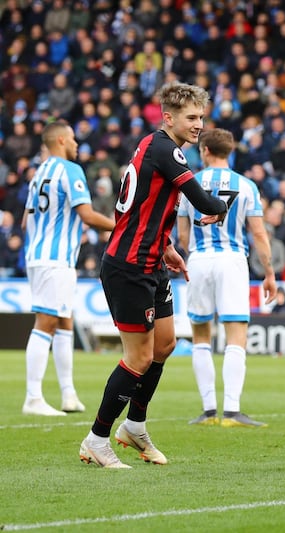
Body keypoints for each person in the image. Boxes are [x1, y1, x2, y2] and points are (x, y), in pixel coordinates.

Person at [79, 82, 229, 469]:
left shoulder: (154, 147)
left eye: (201, 117)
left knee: (163, 345)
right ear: (169, 118)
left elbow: (143, 204)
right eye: (191, 118)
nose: (199, 125)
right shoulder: (166, 149)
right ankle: (97, 438)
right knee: (139, 356)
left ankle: (135, 426)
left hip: (152, 263)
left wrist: (166, 247)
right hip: (128, 267)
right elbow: (204, 201)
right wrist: (221, 208)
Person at [177, 128, 278, 428]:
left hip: (199, 259)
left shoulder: (189, 183)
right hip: (232, 260)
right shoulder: (246, 185)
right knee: (236, 334)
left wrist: (193, 252)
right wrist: (269, 272)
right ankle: (232, 412)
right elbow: (258, 233)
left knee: (200, 336)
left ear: (205, 150)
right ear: (230, 151)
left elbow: (182, 234)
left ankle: (208, 411)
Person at [21, 121, 116, 417]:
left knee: (64, 320)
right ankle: (33, 397)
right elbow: (87, 215)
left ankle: (68, 395)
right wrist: (122, 227)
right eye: (74, 139)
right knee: (47, 322)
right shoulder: (70, 170)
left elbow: (25, 221)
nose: (77, 145)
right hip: (56, 258)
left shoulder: (38, 175)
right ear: (61, 140)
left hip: (38, 255)